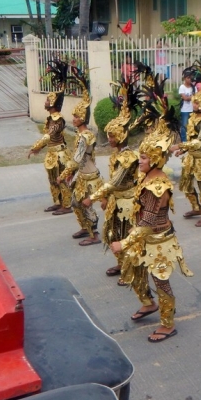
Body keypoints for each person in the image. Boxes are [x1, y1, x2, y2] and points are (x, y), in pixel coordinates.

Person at [110, 89, 192, 343]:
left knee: (162, 282)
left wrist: (124, 242)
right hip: (144, 238)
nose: (140, 160)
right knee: (132, 271)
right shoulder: (145, 176)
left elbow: (147, 222)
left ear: (155, 159)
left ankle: (168, 324)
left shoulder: (159, 186)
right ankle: (148, 304)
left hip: (158, 241)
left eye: (144, 157)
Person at [84, 78, 140, 284]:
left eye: (112, 135)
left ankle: (130, 270)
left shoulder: (128, 157)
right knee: (111, 233)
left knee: (126, 235)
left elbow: (115, 181)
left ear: (120, 135)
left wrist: (94, 196)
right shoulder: (116, 155)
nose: (109, 139)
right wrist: (106, 198)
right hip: (115, 201)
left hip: (127, 202)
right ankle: (121, 263)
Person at [171, 61, 201, 228]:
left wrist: (180, 147)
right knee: (185, 184)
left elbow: (199, 141)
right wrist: (183, 152)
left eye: (197, 103)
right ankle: (196, 208)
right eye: (195, 102)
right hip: (191, 157)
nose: (194, 104)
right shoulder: (192, 117)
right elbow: (191, 138)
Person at [60, 67, 103, 246]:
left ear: (83, 118)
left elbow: (77, 158)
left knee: (84, 204)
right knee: (76, 204)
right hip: (82, 175)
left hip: (90, 176)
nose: (73, 118)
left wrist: (63, 174)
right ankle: (86, 228)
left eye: (76, 116)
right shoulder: (80, 134)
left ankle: (94, 234)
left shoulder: (85, 136)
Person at [28, 59, 73, 215]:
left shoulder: (58, 119)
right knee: (53, 180)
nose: (45, 102)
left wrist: (35, 147)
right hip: (51, 153)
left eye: (47, 99)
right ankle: (58, 202)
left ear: (52, 102)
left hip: (60, 154)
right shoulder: (50, 118)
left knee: (61, 180)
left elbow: (49, 136)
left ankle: (66, 205)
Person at [178, 70, 195, 142]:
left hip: (192, 109)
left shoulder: (193, 87)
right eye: (188, 78)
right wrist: (191, 97)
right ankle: (184, 141)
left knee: (192, 125)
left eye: (190, 78)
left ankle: (191, 140)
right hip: (185, 110)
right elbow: (185, 98)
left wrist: (190, 97)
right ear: (185, 78)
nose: (190, 79)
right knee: (184, 126)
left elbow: (196, 98)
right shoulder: (182, 87)